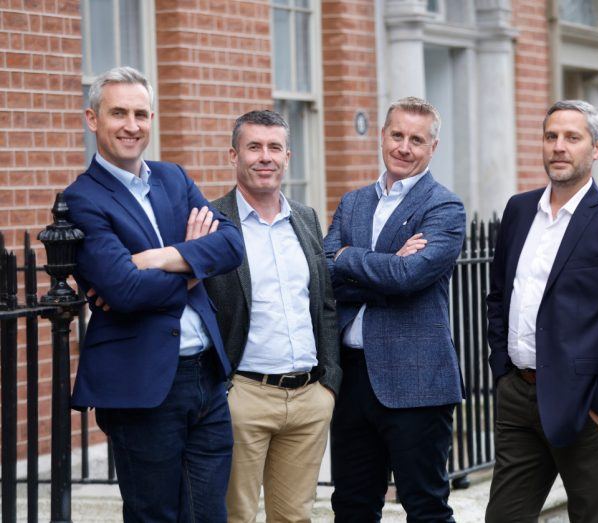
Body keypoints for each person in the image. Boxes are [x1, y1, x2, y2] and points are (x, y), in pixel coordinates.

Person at [64, 66, 244, 522]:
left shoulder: (174, 178)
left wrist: (161, 257)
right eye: (118, 113)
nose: (132, 125)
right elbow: (124, 291)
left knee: (210, 516)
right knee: (156, 516)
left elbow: (231, 245)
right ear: (92, 119)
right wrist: (192, 265)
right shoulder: (81, 199)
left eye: (141, 114)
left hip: (206, 378)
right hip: (142, 387)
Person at [484, 100, 598, 522]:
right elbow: (498, 297)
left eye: (572, 137)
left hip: (585, 405)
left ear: (596, 148)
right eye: (551, 137)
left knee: (592, 517)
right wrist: (502, 369)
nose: (558, 147)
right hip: (519, 396)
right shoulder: (519, 210)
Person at [324, 96, 466, 522]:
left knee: (424, 506)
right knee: (351, 505)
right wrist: (385, 264)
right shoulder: (353, 202)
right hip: (351, 378)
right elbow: (325, 275)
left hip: (416, 382)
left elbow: (409, 277)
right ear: (383, 136)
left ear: (432, 147)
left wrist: (350, 256)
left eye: (416, 140)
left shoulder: (444, 207)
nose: (404, 147)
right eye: (397, 135)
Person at [204, 110, 341, 522]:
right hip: (243, 397)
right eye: (254, 147)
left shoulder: (306, 218)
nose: (265, 157)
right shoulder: (211, 222)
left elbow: (325, 305)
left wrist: (329, 384)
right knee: (235, 515)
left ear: (287, 156)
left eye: (274, 148)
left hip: (307, 400)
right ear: (233, 155)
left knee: (294, 517)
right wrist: (223, 392)